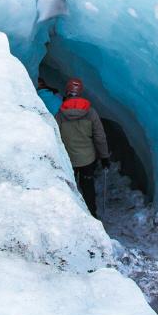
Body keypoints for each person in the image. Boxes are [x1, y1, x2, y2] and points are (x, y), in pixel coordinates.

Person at [54, 78, 109, 219]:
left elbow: (54, 136)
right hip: (88, 159)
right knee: (88, 186)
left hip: (69, 158)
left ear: (67, 91)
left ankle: (70, 216)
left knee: (70, 188)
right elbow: (100, 136)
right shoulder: (90, 112)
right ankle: (92, 215)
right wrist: (104, 157)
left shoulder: (60, 114)